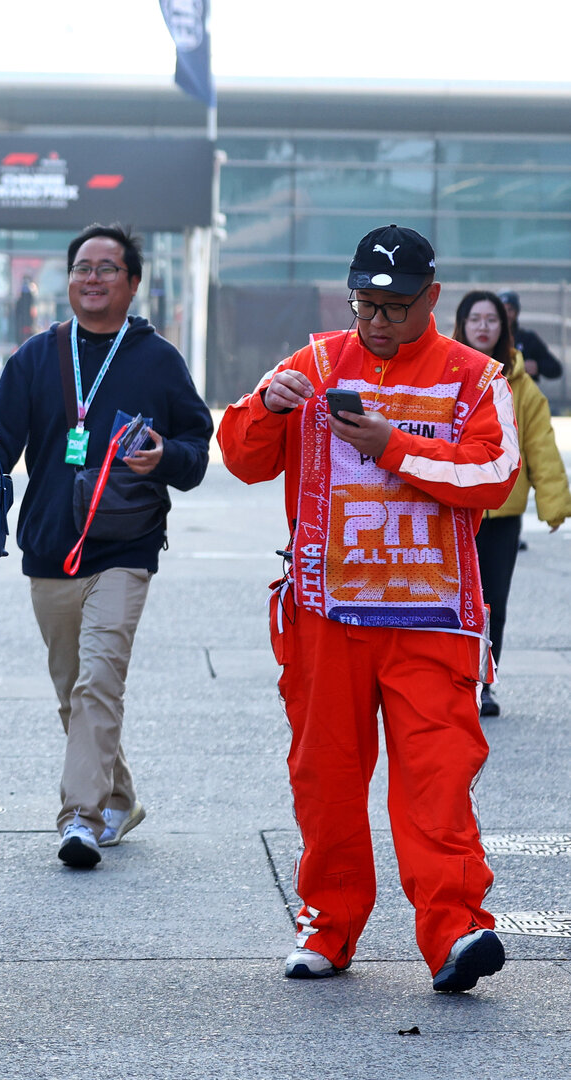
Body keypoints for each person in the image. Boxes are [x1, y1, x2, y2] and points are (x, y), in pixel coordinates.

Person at [218, 225, 519, 993]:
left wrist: (389, 443)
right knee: (325, 781)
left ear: (433, 299)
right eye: (364, 305)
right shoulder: (315, 362)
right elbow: (244, 457)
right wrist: (266, 406)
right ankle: (328, 924)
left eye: (394, 306)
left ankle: (456, 933)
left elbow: (494, 473)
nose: (377, 321)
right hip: (326, 619)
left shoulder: (475, 377)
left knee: (437, 784)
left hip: (430, 621)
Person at [0, 224, 212, 869]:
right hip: (50, 548)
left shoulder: (157, 360)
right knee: (74, 690)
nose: (92, 278)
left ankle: (79, 819)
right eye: (82, 267)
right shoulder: (36, 356)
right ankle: (119, 795)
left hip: (126, 545)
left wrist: (165, 454)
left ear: (132, 282)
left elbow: (197, 454)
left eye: (107, 268)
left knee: (97, 681)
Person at [453, 290, 570, 717]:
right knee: (448, 600)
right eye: (475, 319)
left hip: (501, 515)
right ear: (462, 325)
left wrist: (554, 503)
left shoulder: (520, 384)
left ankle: (484, 682)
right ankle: (451, 679)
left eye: (491, 319)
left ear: (504, 327)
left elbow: (540, 444)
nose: (483, 326)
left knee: (492, 603)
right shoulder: (443, 375)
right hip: (450, 510)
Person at [498, 290, 563, 383]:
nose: (506, 314)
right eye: (502, 310)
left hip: (523, 394)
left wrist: (537, 366)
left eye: (510, 309)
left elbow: (556, 369)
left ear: (516, 312)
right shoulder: (486, 339)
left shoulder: (528, 339)